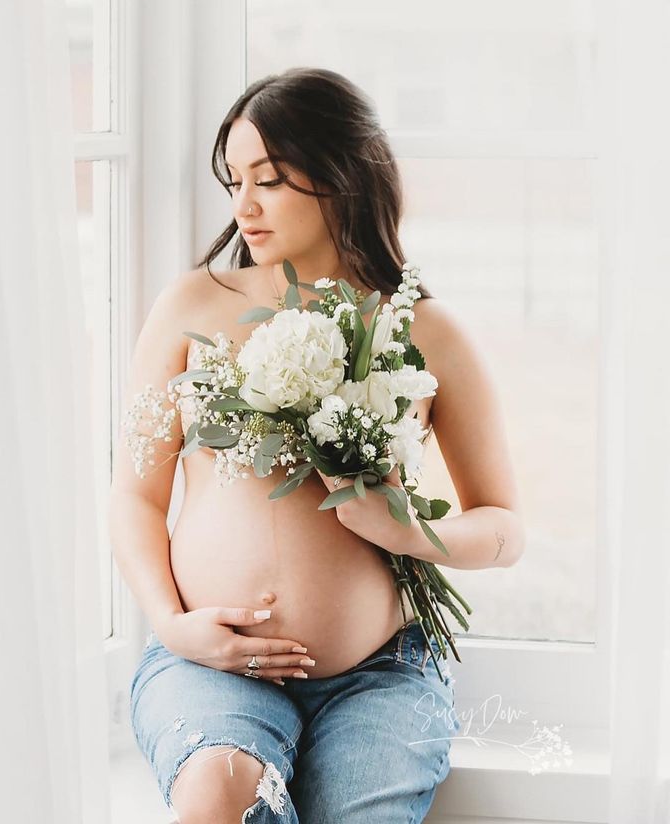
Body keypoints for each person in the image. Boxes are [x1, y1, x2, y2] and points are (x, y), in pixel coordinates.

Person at [108, 67, 525, 823]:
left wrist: (409, 531)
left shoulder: (425, 330)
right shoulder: (192, 307)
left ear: (341, 176)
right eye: (234, 180)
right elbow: (135, 495)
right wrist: (173, 625)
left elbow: (503, 526)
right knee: (217, 795)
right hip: (209, 661)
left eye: (269, 179)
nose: (244, 205)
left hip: (380, 675)